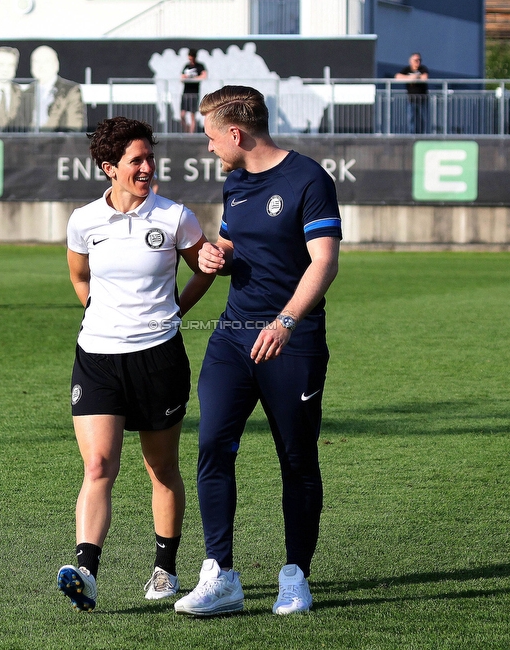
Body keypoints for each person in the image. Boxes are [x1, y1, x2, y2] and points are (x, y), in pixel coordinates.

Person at [173, 86, 341, 617]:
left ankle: (296, 575)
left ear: (236, 133)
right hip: (231, 335)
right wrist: (215, 256)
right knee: (213, 444)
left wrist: (286, 322)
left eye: (209, 137)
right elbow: (231, 243)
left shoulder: (309, 179)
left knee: (296, 458)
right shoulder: (236, 182)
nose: (208, 148)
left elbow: (324, 262)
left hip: (292, 340)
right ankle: (220, 575)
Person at [57, 117, 216, 612]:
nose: (148, 168)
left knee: (161, 467)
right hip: (98, 358)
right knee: (99, 465)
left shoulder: (175, 217)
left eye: (150, 158)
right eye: (136, 161)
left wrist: (174, 313)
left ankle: (165, 569)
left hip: (159, 359)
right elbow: (80, 278)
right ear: (110, 168)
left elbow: (203, 270)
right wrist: (98, 315)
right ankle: (86, 572)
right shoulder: (83, 221)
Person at [24, 46, 85, 132]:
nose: (41, 66)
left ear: (56, 65)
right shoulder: (27, 92)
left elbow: (74, 130)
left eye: (46, 61)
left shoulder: (71, 91)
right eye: (36, 62)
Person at [394, 52, 429, 134]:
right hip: (411, 100)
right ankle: (412, 136)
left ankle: (422, 135)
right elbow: (397, 77)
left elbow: (425, 77)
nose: (418, 62)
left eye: (419, 60)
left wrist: (416, 77)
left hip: (422, 100)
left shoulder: (423, 69)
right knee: (411, 119)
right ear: (411, 61)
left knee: (422, 119)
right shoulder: (407, 69)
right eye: (416, 60)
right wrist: (409, 78)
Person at [180, 49, 207, 133]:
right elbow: (182, 77)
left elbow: (204, 76)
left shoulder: (200, 66)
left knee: (192, 115)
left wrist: (193, 78)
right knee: (182, 115)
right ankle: (186, 130)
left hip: (194, 93)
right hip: (185, 93)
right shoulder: (186, 66)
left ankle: (191, 134)